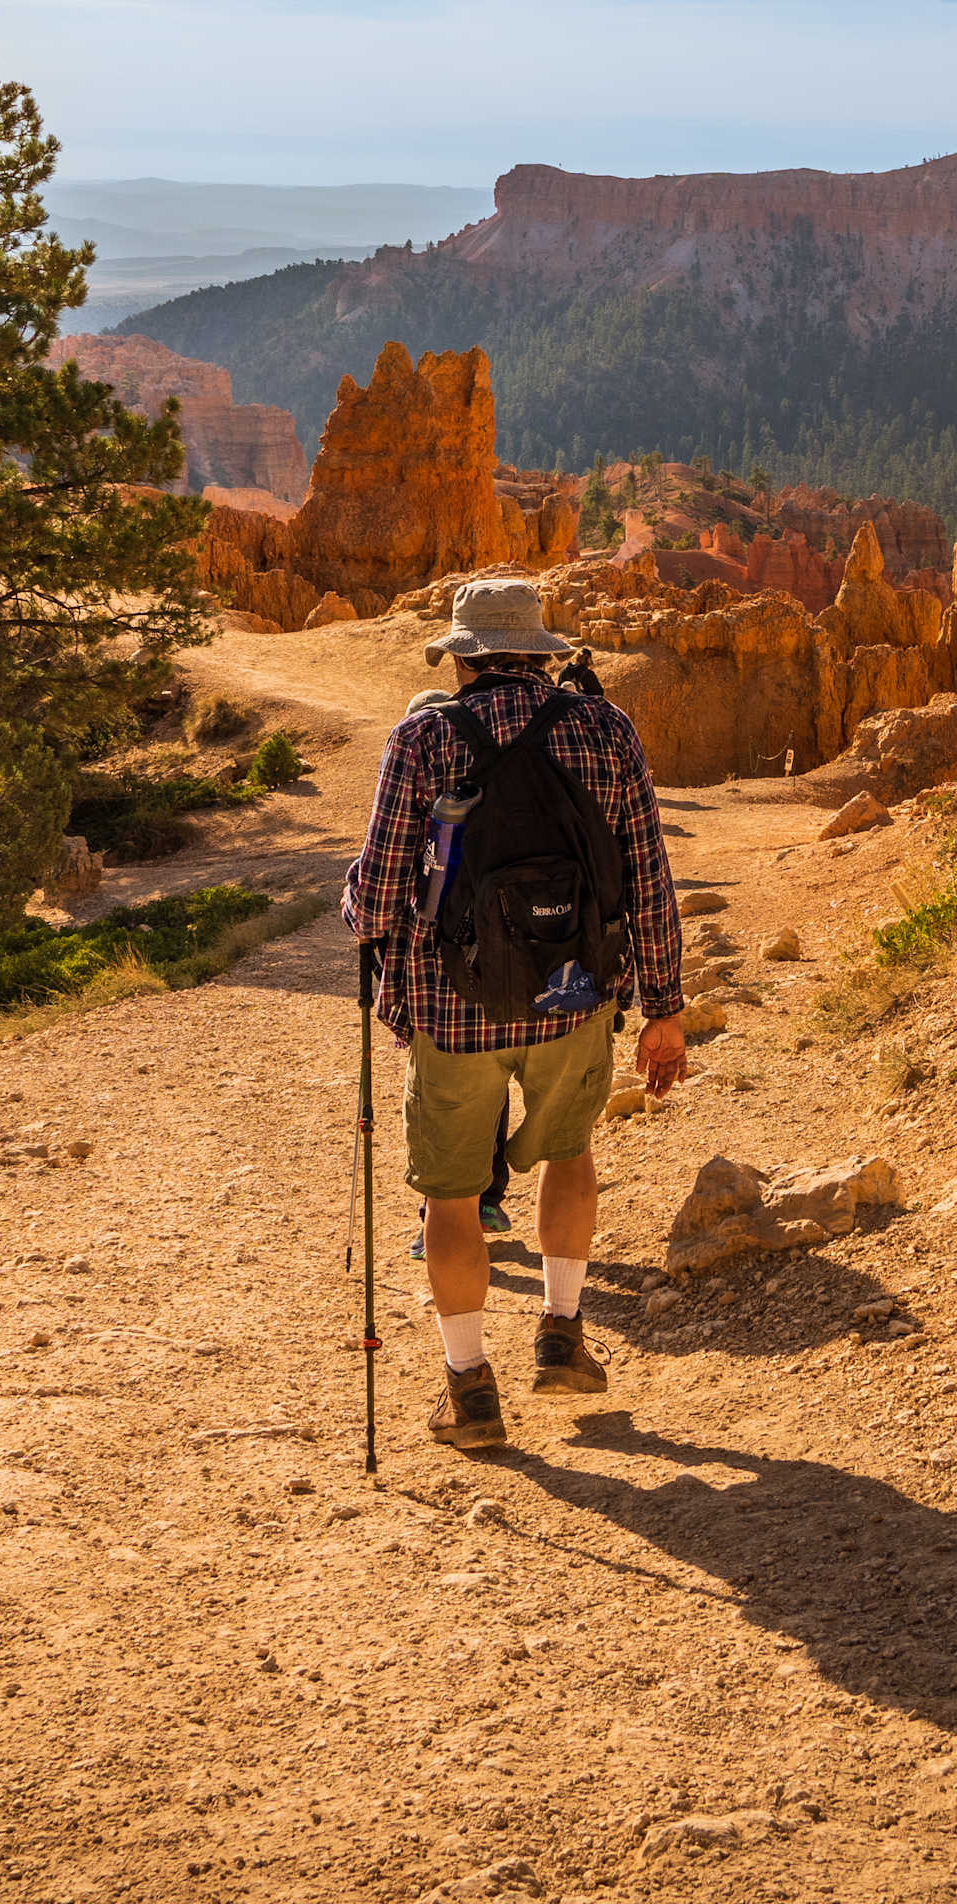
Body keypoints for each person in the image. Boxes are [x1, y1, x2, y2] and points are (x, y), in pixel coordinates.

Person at [344, 576, 688, 1450]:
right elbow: (647, 876)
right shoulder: (607, 730)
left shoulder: (422, 737)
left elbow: (382, 895)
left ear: (462, 661)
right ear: (539, 654)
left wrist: (359, 914)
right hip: (574, 1000)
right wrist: (664, 1006)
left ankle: (470, 1391)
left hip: (450, 1009)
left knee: (453, 1201)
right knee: (569, 1153)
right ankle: (562, 1337)